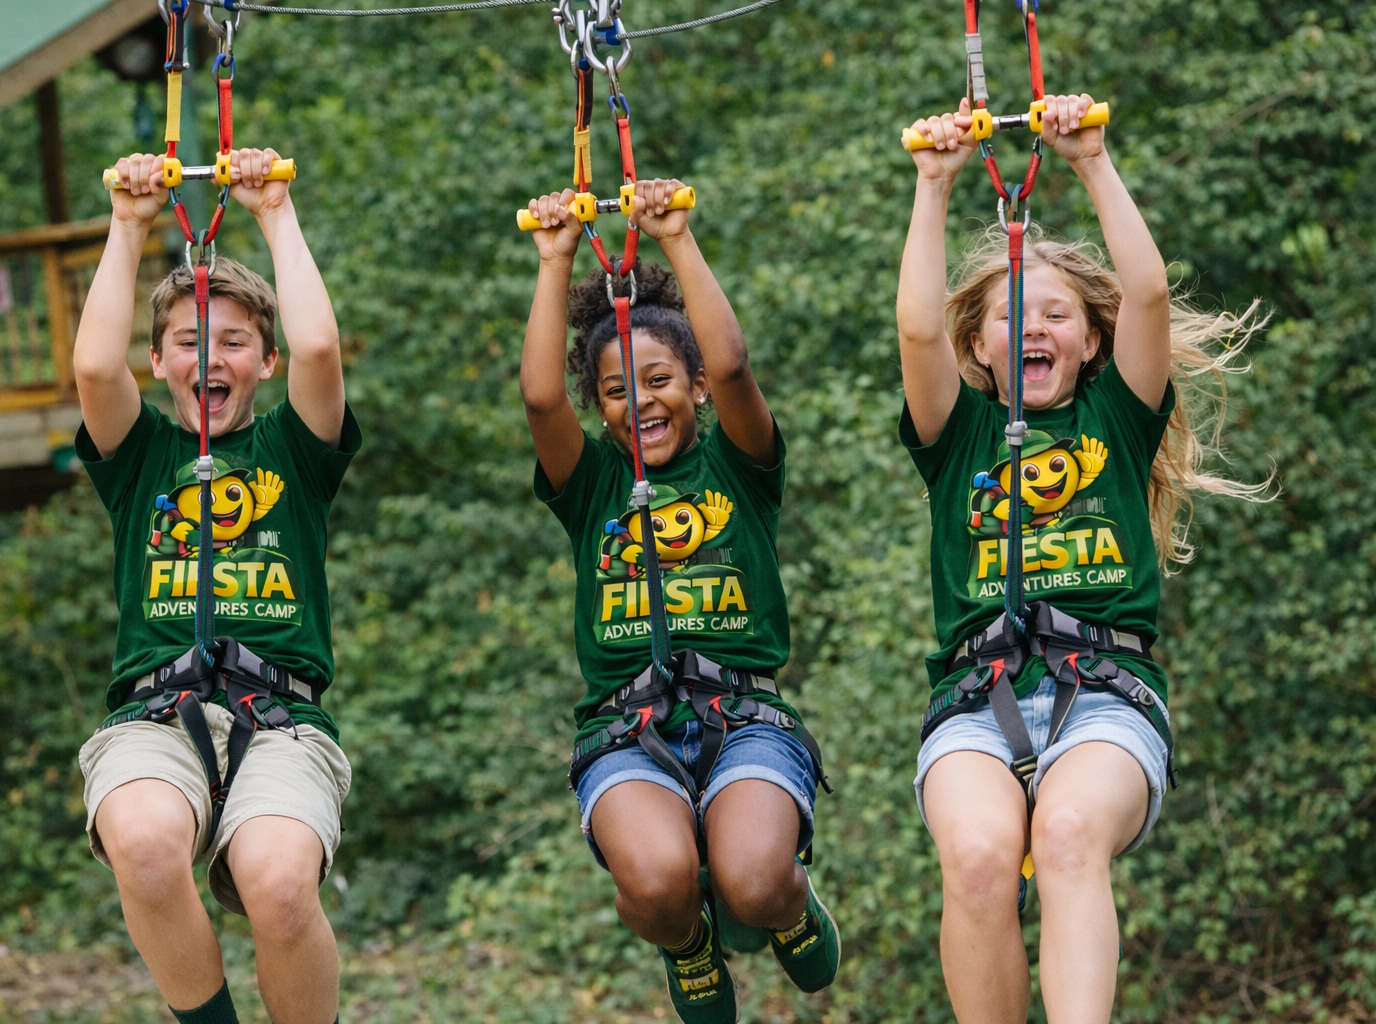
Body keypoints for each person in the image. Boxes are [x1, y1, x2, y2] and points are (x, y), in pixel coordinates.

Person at [897, 95, 1270, 1022]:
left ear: (1091, 339)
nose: (1034, 328)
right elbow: (915, 331)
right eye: (1011, 316)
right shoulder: (959, 434)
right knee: (978, 858)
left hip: (1105, 695)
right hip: (976, 699)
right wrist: (933, 186)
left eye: (1057, 314)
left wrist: (1092, 161)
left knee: (1065, 833)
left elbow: (1148, 293)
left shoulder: (1116, 418)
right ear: (978, 345)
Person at [521, 178, 840, 1024]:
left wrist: (676, 238)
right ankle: (689, 941)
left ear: (694, 386)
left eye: (659, 379)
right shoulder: (593, 485)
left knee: (754, 879)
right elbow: (541, 398)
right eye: (616, 391)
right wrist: (554, 261)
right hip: (627, 729)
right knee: (660, 883)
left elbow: (733, 363)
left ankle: (787, 907)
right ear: (601, 408)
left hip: (745, 718)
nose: (640, 401)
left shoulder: (739, 464)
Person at [73, 148, 357, 1024]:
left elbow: (319, 345)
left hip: (281, 719)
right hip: (155, 715)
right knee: (143, 845)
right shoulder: (143, 457)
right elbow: (94, 371)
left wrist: (275, 212)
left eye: (234, 342)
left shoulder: (292, 452)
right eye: (191, 343)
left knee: (280, 886)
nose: (212, 358)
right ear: (159, 361)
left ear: (265, 363)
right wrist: (128, 224)